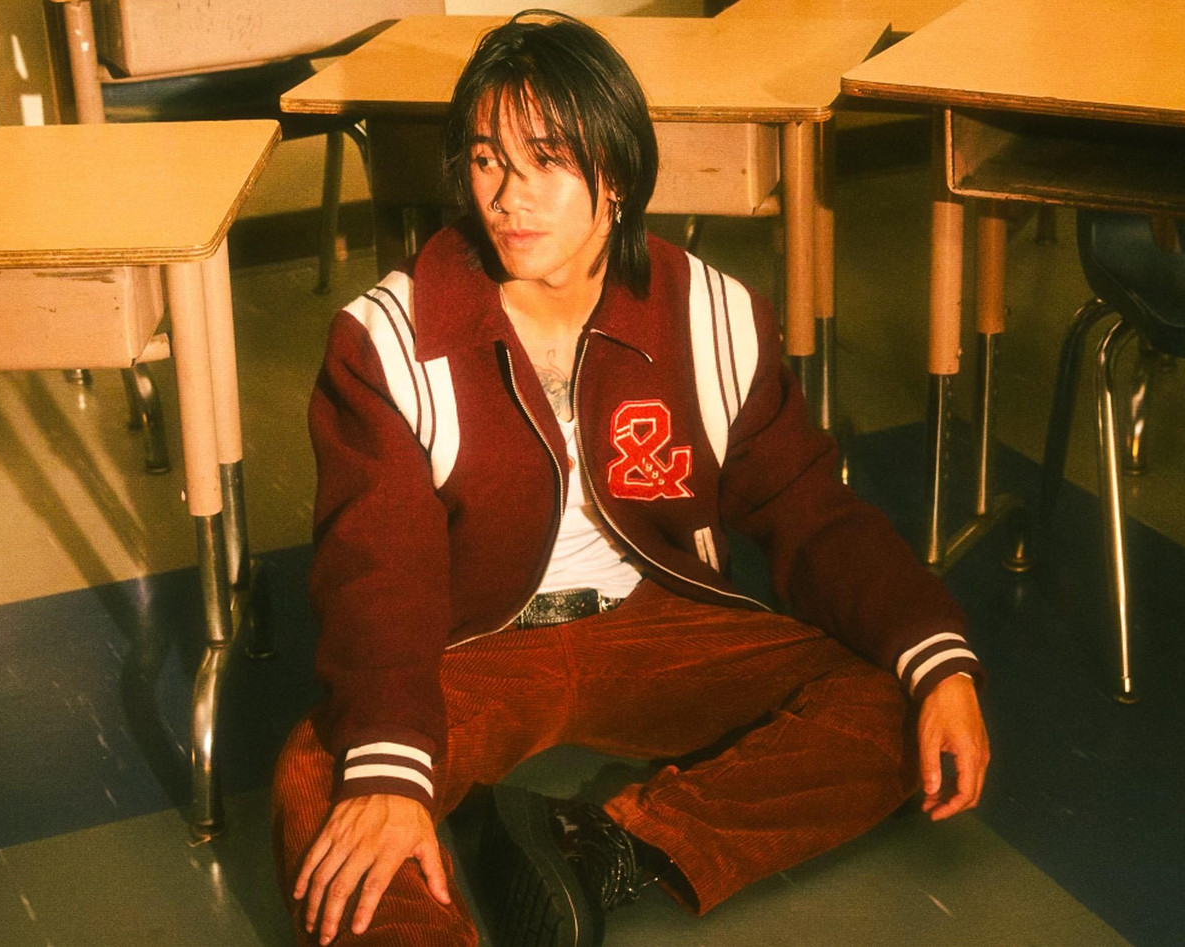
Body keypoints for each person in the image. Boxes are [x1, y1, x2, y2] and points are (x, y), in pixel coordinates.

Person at [273, 11, 990, 946]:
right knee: (322, 780)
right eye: (487, 160)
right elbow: (381, 577)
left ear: (616, 173)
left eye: (546, 162)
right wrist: (390, 772)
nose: (508, 198)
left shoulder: (712, 315)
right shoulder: (386, 338)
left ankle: (604, 845)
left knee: (899, 701)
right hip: (474, 646)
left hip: (652, 623)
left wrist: (939, 655)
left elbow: (813, 512)